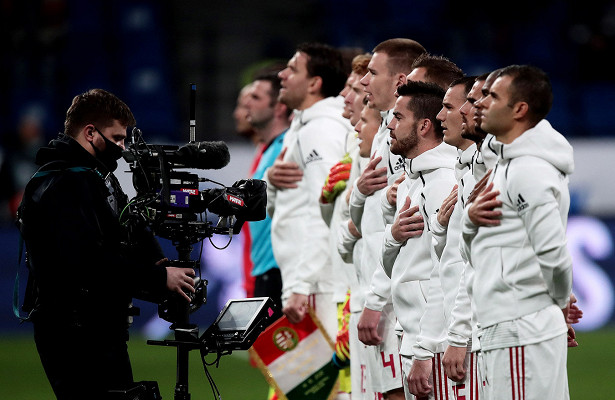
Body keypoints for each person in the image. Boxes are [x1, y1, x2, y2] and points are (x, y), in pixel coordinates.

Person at [16, 89, 196, 399]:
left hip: (98, 325)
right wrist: (158, 279)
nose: (122, 148)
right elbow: (88, 263)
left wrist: (159, 265)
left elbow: (130, 227)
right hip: (74, 331)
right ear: (90, 133)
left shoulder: (97, 177)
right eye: (117, 138)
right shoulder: (64, 182)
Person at [462, 65, 574, 399]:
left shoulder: (529, 170)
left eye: (493, 97)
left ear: (520, 110)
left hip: (520, 326)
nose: (482, 103)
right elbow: (477, 250)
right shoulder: (506, 165)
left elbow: (554, 254)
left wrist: (558, 304)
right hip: (508, 326)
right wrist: (469, 219)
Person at [350, 38, 427, 400]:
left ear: (399, 80)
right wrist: (361, 193)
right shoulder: (384, 134)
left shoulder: (406, 139)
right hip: (381, 294)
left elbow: (399, 231)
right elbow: (369, 222)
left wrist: (375, 300)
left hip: (397, 304)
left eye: (372, 72)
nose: (364, 81)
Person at [264, 42, 350, 342]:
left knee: (329, 373)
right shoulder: (302, 127)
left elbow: (324, 209)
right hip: (311, 278)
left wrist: (301, 284)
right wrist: (270, 180)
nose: (282, 75)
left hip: (318, 282)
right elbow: (282, 204)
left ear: (314, 83)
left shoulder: (320, 129)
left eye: (292, 69)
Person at [380, 81, 457, 400]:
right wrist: (392, 235)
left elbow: (450, 271)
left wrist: (426, 347)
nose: (389, 125)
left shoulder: (444, 182)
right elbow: (392, 267)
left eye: (398, 117)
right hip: (414, 335)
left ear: (424, 126)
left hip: (436, 342)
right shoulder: (410, 182)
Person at [407, 76, 477, 399]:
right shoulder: (464, 174)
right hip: (455, 336)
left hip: (474, 338)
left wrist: (458, 336)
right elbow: (446, 264)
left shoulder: (472, 178)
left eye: (448, 107)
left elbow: (472, 265)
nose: (439, 115)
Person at [244, 69, 291, 317]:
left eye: (256, 97)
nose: (247, 103)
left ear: (279, 107)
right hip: (264, 267)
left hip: (280, 269)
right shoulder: (267, 149)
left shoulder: (288, 147)